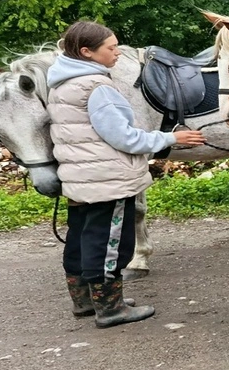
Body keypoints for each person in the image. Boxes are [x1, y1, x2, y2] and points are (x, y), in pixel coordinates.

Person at [47, 20, 206, 327]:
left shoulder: (62, 85)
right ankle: (111, 309)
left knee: (81, 238)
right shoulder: (98, 88)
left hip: (82, 179)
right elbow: (126, 138)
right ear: (87, 52)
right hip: (109, 180)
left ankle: (85, 303)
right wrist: (173, 138)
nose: (118, 52)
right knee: (109, 243)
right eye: (111, 47)